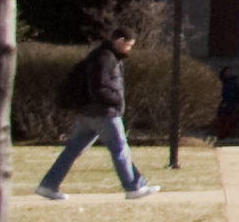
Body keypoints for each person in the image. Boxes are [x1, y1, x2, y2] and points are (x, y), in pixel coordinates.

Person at [36, 30, 159, 202]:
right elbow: (99, 87)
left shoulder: (100, 56)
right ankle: (133, 188)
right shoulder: (105, 58)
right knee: (120, 148)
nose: (129, 49)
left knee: (73, 150)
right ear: (120, 40)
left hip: (87, 113)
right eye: (129, 45)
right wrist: (116, 100)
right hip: (104, 113)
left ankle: (48, 184)